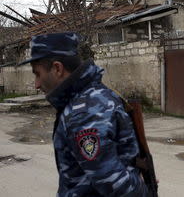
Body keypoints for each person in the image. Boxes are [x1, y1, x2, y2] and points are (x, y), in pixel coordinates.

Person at [18, 32, 148, 197]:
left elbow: (113, 183)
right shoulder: (93, 93)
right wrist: (137, 180)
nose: (36, 84)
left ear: (57, 68)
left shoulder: (84, 112)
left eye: (37, 74)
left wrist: (142, 190)